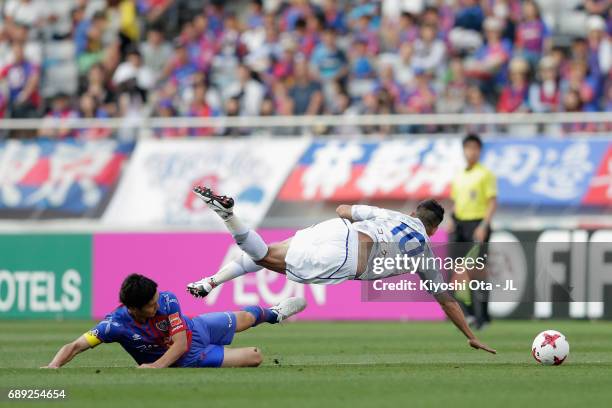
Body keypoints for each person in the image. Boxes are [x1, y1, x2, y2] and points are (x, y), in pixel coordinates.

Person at [187, 187, 496, 355]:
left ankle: (211, 280)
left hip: (336, 230)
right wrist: (469, 335)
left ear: (414, 213)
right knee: (267, 257)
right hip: (348, 257)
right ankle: (228, 215)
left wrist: (374, 220)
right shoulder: (424, 254)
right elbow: (447, 300)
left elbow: (343, 210)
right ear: (434, 229)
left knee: (271, 250)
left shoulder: (390, 214)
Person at [43, 274, 306, 369]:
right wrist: (54, 365)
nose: (157, 305)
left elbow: (179, 342)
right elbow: (77, 345)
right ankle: (272, 316)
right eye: (150, 305)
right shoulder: (114, 325)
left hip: (195, 328)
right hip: (192, 357)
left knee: (248, 317)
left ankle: (275, 314)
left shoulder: (167, 300)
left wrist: (155, 367)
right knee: (256, 357)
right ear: (133, 308)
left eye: (156, 299)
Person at [448, 134, 497, 330]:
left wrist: (484, 225)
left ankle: (483, 316)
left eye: (475, 148)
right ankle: (467, 314)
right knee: (456, 271)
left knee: (477, 273)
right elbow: (455, 202)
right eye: (468, 148)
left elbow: (492, 201)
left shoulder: (485, 174)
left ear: (480, 151)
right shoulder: (458, 175)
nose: (471, 152)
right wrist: (450, 219)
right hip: (459, 224)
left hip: (477, 224)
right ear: (463, 150)